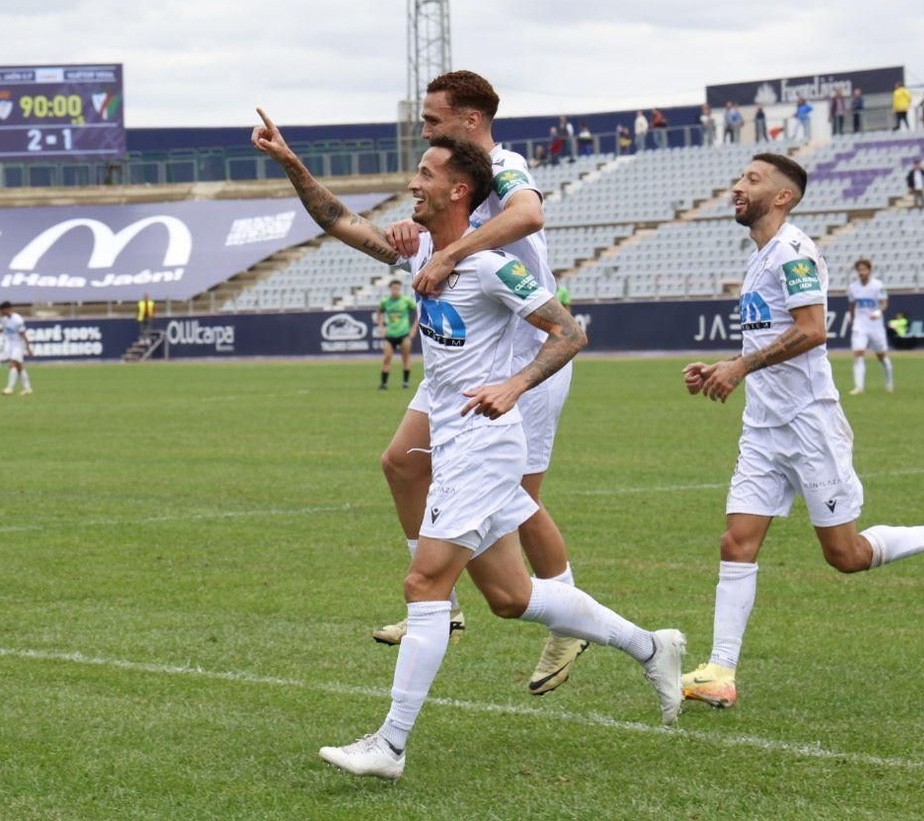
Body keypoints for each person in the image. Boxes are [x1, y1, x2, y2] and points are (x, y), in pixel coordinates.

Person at [251, 115, 684, 779]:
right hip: (455, 447)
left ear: (459, 191)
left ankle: (390, 745)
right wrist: (289, 161)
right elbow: (339, 219)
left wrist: (514, 384)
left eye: (425, 174)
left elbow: (568, 333)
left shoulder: (488, 268)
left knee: (425, 581)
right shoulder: (423, 253)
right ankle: (652, 647)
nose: (411, 184)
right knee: (511, 597)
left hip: (485, 447)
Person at [678, 153, 924, 711]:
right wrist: (725, 363)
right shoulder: (758, 259)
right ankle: (721, 670)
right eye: (739, 178)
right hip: (764, 429)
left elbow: (813, 331)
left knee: (844, 555)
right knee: (736, 542)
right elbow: (769, 339)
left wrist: (740, 368)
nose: (737, 187)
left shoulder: (794, 252)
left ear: (783, 197)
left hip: (809, 425)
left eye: (751, 180)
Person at [372, 70, 590, 695]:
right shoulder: (444, 172)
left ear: (470, 121)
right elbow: (424, 226)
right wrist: (412, 235)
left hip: (525, 357)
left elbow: (528, 212)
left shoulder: (507, 163)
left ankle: (568, 617)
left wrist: (453, 251)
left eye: (433, 120)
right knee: (401, 462)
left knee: (519, 502)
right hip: (463, 354)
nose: (425, 130)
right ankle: (442, 599)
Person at [846, 260, 893, 394]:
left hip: (875, 325)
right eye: (859, 270)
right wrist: (853, 320)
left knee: (881, 356)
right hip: (860, 325)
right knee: (858, 353)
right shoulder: (853, 287)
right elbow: (852, 306)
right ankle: (859, 387)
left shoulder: (878, 286)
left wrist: (878, 312)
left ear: (869, 270)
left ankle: (889, 382)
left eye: (864, 269)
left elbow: (884, 303)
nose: (862, 272)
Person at [0, 301, 33, 395]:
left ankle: (10, 388)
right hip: (11, 344)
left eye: (2, 310)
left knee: (12, 364)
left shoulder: (17, 320)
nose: (1, 313)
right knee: (19, 367)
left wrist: (28, 347)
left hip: (18, 344)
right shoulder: (5, 319)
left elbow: (23, 334)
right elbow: (2, 329)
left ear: (8, 309)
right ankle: (28, 388)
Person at [376, 280, 416, 391]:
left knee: (405, 358)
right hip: (390, 335)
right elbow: (379, 314)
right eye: (394, 288)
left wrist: (413, 329)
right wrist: (382, 328)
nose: (396, 291)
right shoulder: (386, 302)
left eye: (398, 288)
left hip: (404, 334)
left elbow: (418, 312)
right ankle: (383, 384)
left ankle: (405, 383)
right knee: (386, 359)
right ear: (390, 289)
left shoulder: (406, 300)